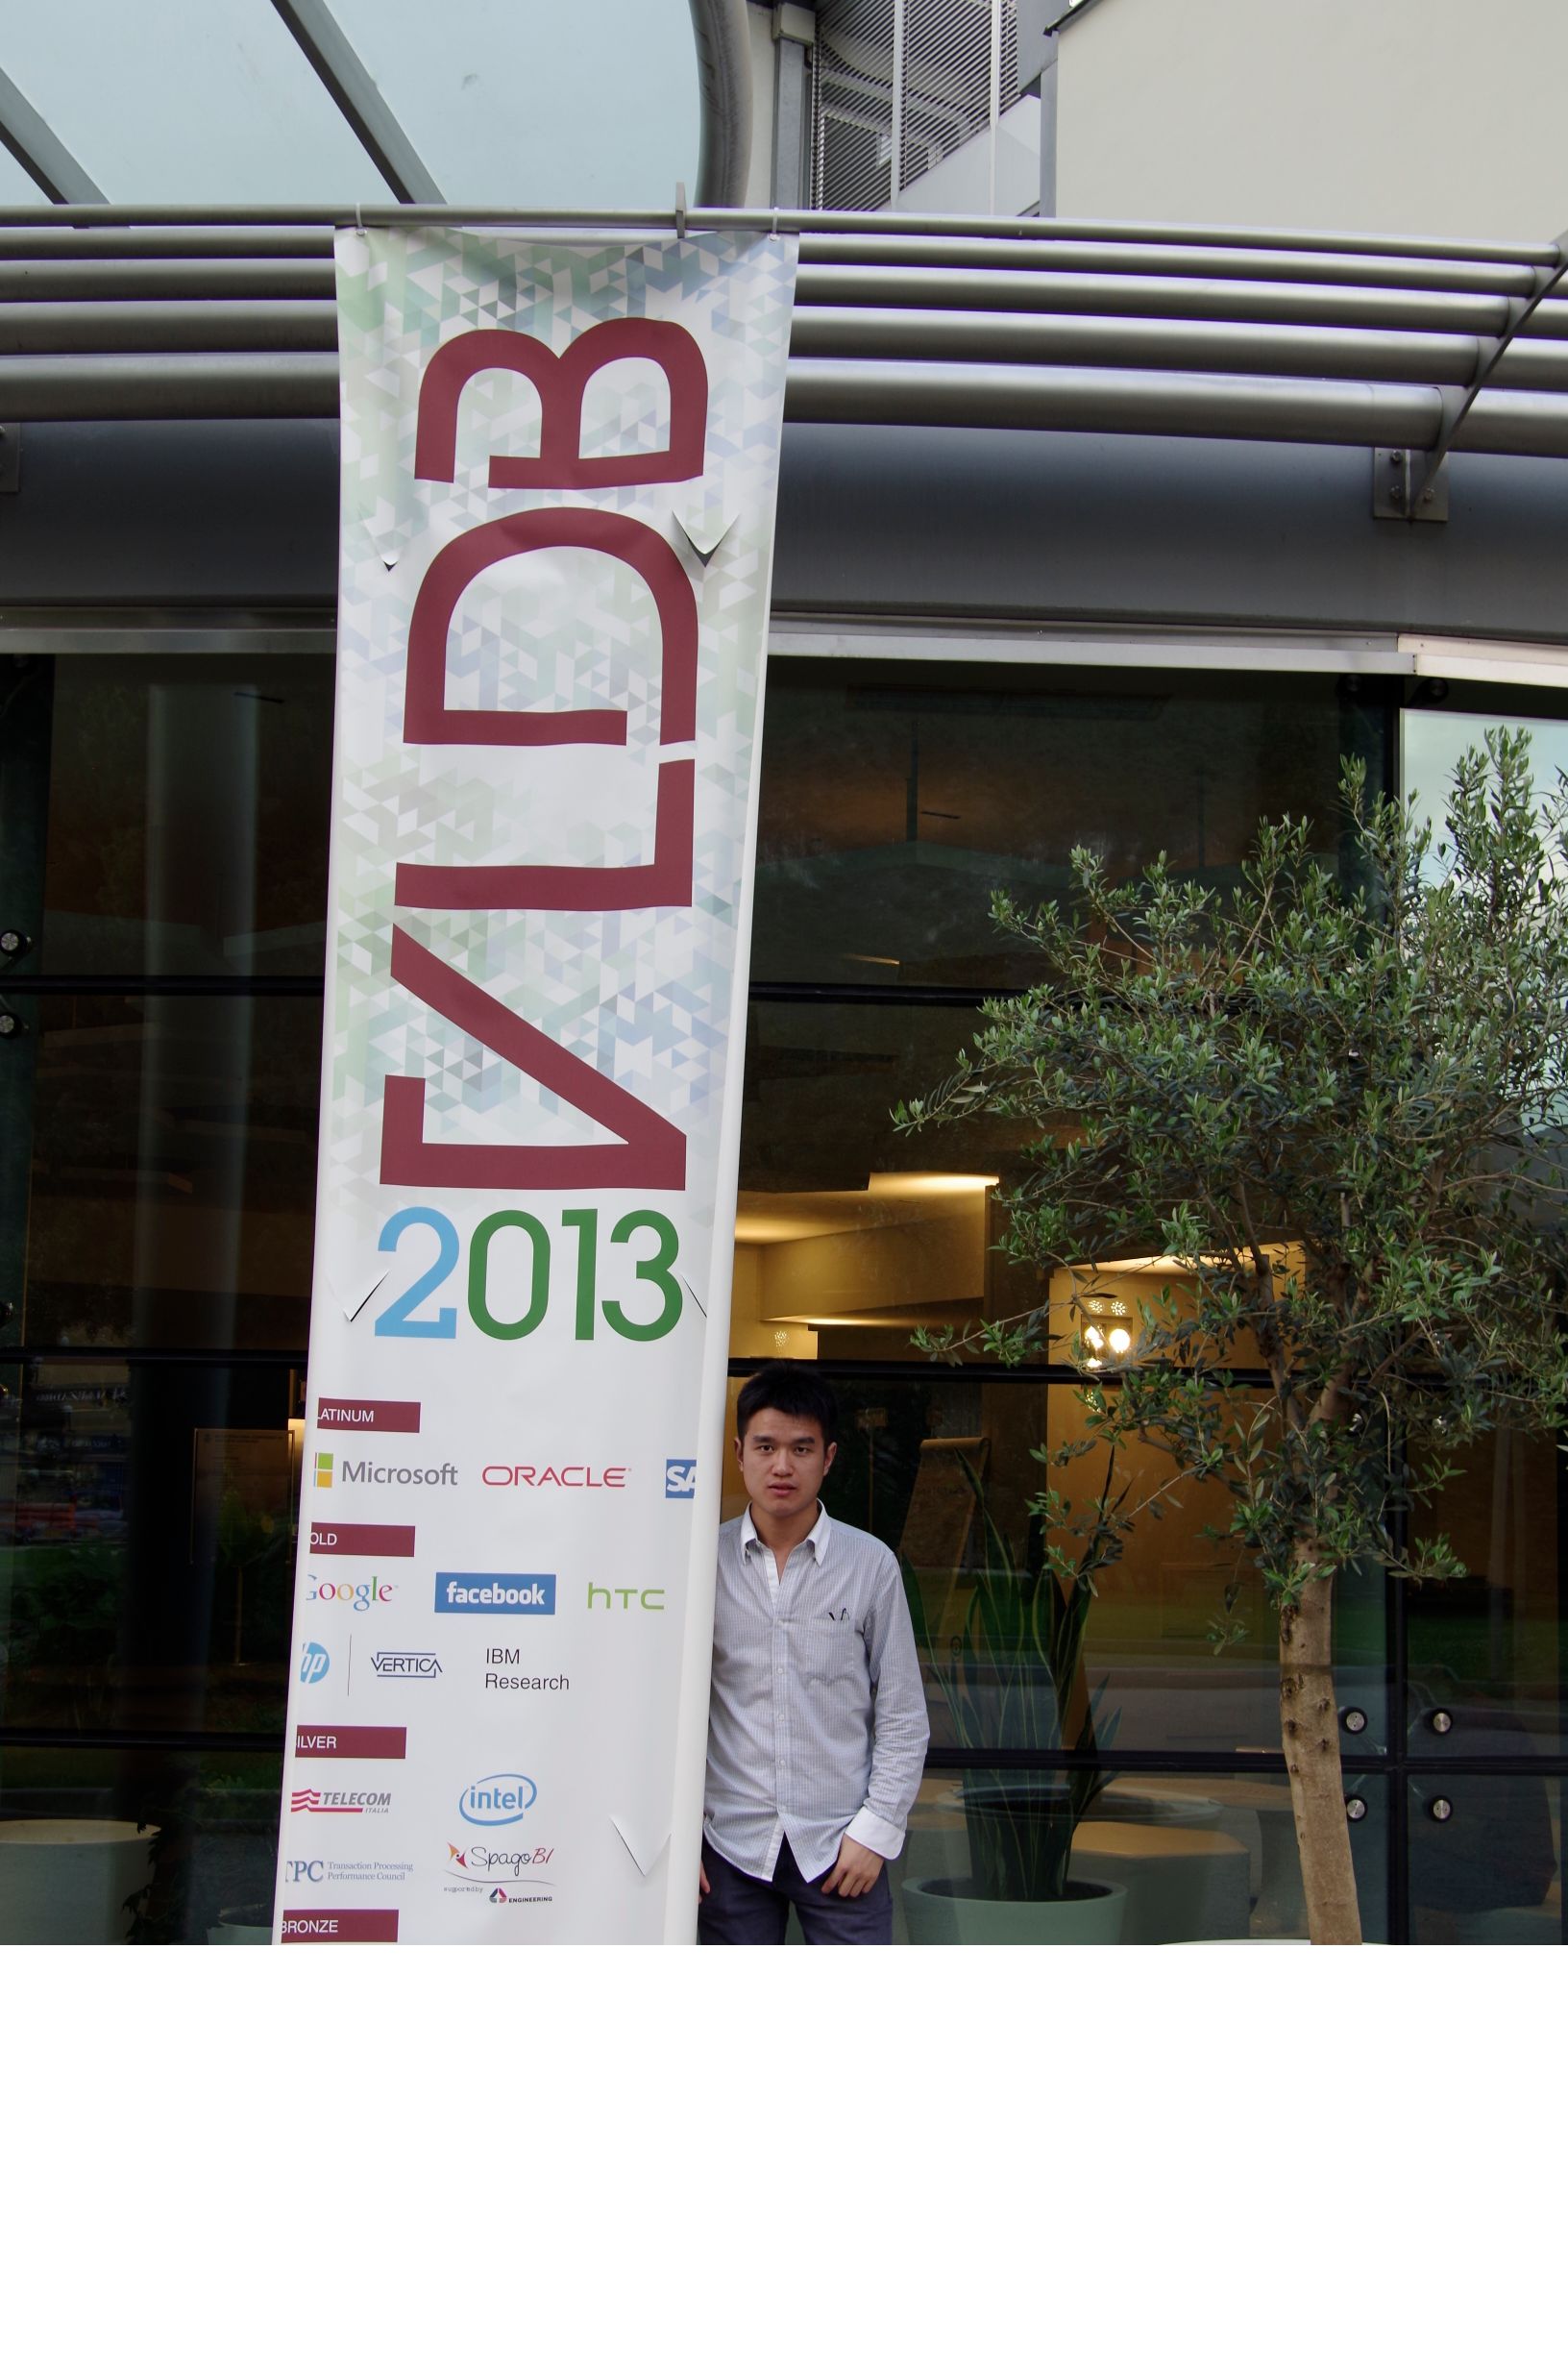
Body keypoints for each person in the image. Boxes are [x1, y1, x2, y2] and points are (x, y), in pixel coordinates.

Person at [698, 1362, 929, 1945]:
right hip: (728, 1850)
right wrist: (676, 1836)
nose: (782, 1466)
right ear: (739, 1453)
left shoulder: (870, 1565)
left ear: (828, 1458)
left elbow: (903, 1713)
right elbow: (665, 1710)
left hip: (842, 1847)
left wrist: (877, 1830)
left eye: (801, 1449)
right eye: (766, 1447)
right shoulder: (702, 1562)